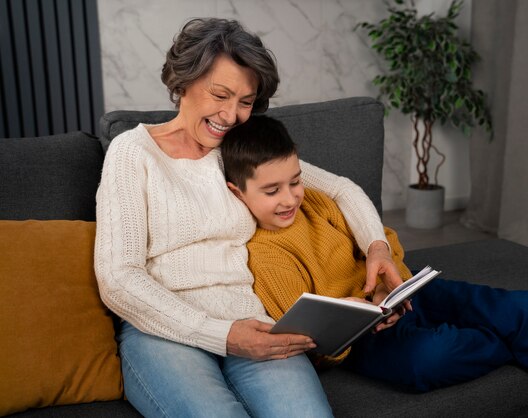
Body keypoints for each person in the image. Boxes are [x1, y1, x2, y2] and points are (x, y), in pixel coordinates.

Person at [94, 18, 404, 418]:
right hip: (161, 330)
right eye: (220, 95)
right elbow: (118, 278)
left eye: (245, 101)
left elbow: (342, 189)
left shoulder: (236, 151)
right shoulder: (133, 152)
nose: (231, 115)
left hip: (253, 321)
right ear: (182, 82)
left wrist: (377, 247)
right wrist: (222, 335)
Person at [221, 115, 528, 418]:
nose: (290, 198)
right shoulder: (265, 254)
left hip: (402, 292)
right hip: (366, 339)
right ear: (237, 192)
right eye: (272, 191)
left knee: (518, 306)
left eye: (295, 181)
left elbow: (386, 239)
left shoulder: (320, 203)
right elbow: (314, 338)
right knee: (426, 363)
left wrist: (386, 286)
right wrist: (364, 315)